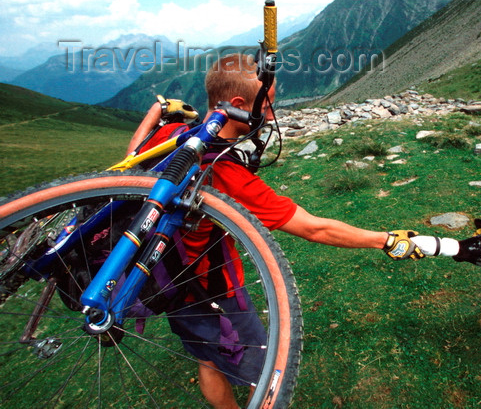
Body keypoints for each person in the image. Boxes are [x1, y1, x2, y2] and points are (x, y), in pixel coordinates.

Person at [127, 53, 425, 409]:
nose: (270, 113)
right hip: (213, 289)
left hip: (166, 280)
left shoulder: (174, 134)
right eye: (266, 103)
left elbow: (131, 157)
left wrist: (155, 112)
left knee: (207, 358)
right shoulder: (225, 173)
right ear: (237, 104)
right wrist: (388, 240)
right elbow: (315, 229)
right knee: (266, 374)